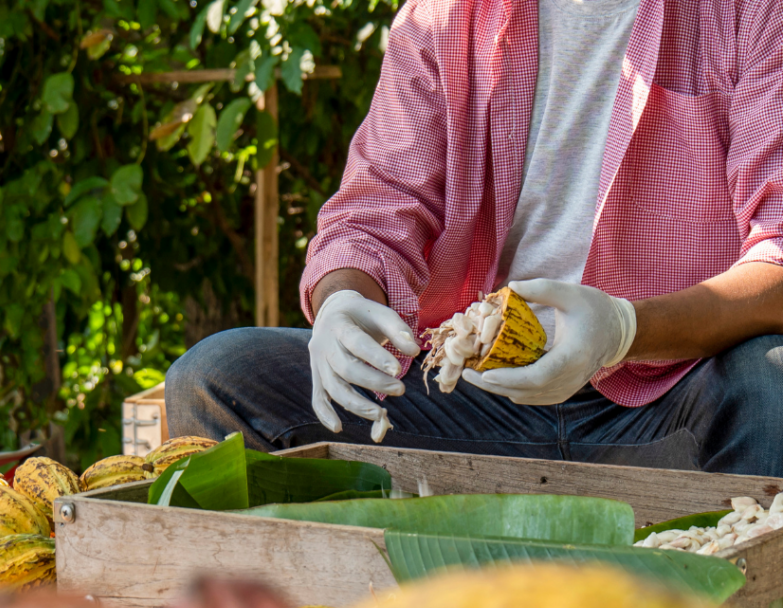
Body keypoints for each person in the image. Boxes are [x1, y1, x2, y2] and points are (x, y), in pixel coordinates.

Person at [166, 0, 783, 476]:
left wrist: (622, 329)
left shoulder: (751, 12)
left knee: (774, 380)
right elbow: (376, 208)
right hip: (477, 388)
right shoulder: (447, 15)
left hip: (671, 398)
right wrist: (341, 303)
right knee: (217, 380)